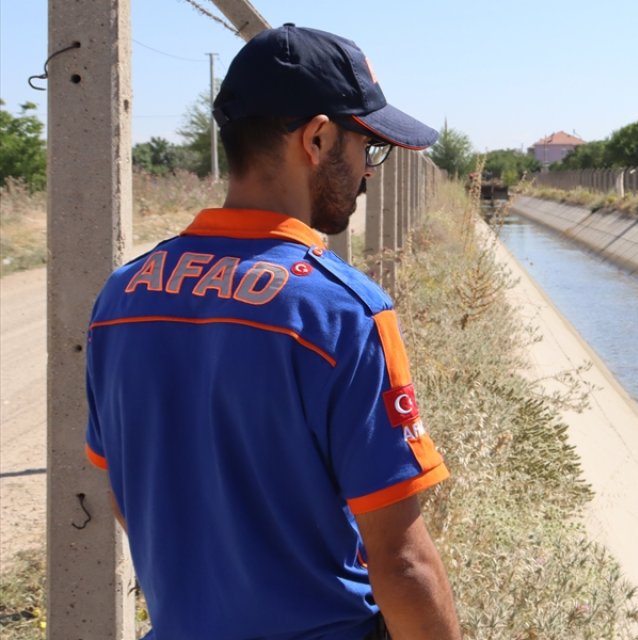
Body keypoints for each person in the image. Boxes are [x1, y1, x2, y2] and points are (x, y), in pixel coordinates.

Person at [83, 24, 461, 639]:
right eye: (369, 147)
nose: (369, 172)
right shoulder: (342, 313)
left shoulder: (120, 296)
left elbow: (125, 493)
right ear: (317, 138)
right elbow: (402, 561)